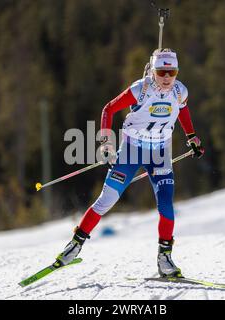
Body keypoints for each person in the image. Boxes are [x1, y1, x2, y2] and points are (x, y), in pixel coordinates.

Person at [54, 49, 204, 278]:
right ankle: (74, 245)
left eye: (171, 72)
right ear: (153, 71)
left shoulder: (180, 91)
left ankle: (165, 258)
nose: (166, 77)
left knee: (166, 206)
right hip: (133, 150)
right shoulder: (141, 89)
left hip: (160, 153)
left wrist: (191, 136)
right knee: (107, 200)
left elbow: (182, 110)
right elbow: (109, 108)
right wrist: (105, 142)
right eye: (161, 71)